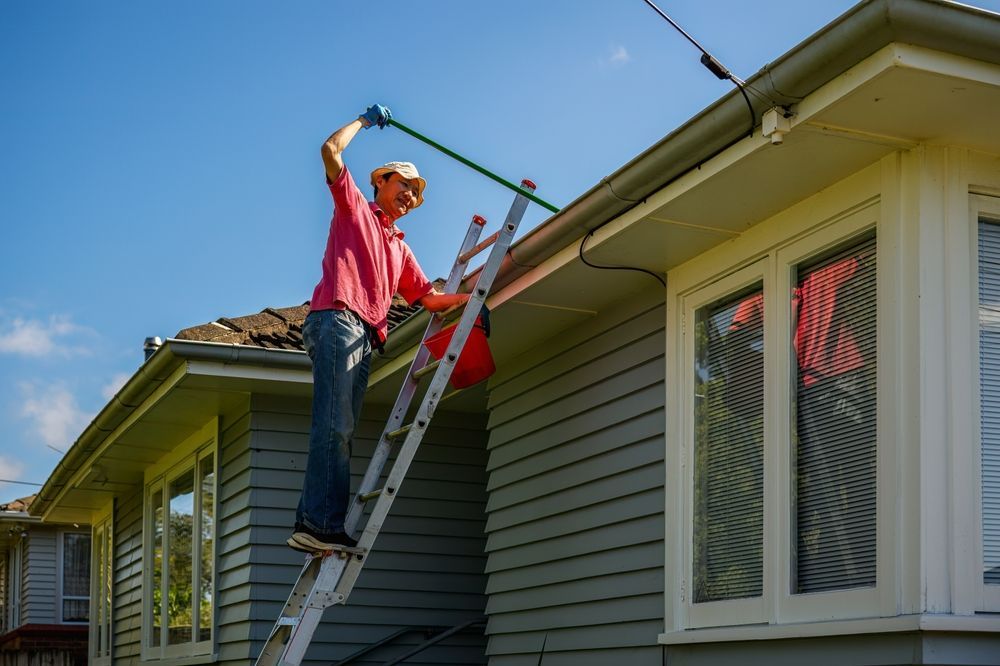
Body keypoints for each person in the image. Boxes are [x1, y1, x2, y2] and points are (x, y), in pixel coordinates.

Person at [287, 104, 469, 553]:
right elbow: (330, 150)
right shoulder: (354, 208)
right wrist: (364, 123)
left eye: (415, 194)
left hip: (365, 335)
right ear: (380, 182)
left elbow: (430, 300)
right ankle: (316, 524)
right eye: (404, 185)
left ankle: (322, 525)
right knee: (334, 425)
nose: (409, 196)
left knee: (342, 429)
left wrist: (478, 299)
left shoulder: (400, 248)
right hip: (336, 318)